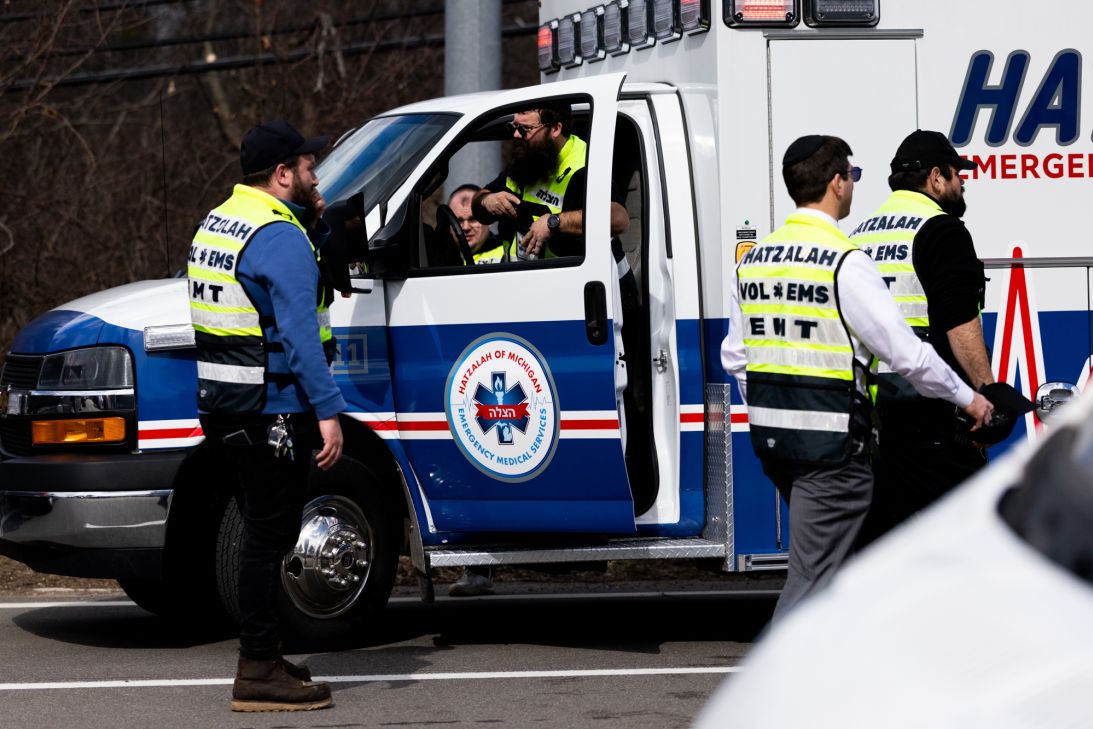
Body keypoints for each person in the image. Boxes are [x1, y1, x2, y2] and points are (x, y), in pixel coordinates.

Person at [721, 134, 993, 621]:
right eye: (851, 175)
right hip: (843, 442)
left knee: (853, 562)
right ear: (837, 183)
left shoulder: (757, 260)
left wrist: (772, 416)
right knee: (821, 577)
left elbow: (738, 359)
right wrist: (972, 398)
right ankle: (784, 682)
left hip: (780, 446)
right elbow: (905, 350)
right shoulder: (843, 261)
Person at [188, 119, 345, 712]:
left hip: (229, 404)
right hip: (272, 408)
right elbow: (301, 335)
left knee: (259, 529)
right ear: (282, 174)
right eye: (308, 166)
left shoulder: (224, 220)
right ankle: (257, 668)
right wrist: (327, 411)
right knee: (268, 536)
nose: (315, 173)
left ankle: (266, 653)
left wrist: (313, 223)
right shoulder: (278, 237)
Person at [848, 129, 1029, 545]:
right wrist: (986, 394)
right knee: (966, 544)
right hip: (931, 416)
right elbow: (958, 321)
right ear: (935, 177)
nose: (963, 182)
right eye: (957, 174)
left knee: (886, 551)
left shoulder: (860, 236)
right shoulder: (942, 230)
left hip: (873, 422)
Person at [447, 183, 504, 263]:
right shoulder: (436, 257)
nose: (465, 227)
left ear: (488, 220)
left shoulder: (506, 252)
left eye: (473, 219)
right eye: (458, 221)